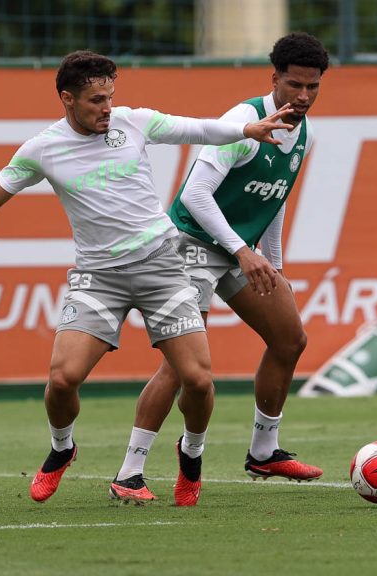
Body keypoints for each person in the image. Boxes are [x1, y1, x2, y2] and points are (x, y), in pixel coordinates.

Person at [0, 50, 294, 507]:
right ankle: (62, 449)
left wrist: (246, 129)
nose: (107, 108)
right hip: (98, 277)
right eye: (97, 99)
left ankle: (190, 456)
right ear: (67, 99)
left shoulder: (133, 123)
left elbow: (194, 127)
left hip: (162, 266)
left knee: (197, 381)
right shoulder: (41, 149)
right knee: (61, 379)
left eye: (110, 96)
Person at [110, 32, 328, 506]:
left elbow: (275, 203)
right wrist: (243, 252)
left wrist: (273, 265)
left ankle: (264, 451)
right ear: (274, 79)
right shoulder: (242, 122)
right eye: (294, 85)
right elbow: (194, 196)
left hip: (235, 253)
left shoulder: (303, 133)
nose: (304, 96)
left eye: (313, 87)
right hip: (188, 245)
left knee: (290, 337)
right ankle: (130, 471)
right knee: (184, 368)